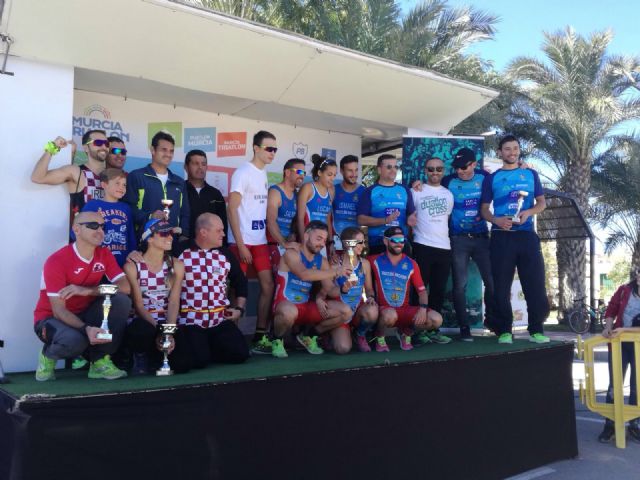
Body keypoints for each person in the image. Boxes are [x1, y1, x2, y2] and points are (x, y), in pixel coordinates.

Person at [33, 211, 131, 381]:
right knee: (75, 341)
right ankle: (48, 355)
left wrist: (88, 291)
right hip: (51, 318)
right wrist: (86, 329)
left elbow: (125, 287)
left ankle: (99, 362)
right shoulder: (57, 261)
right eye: (93, 226)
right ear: (76, 229)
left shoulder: (104, 254)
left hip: (84, 313)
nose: (100, 231)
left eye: (103, 226)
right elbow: (58, 311)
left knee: (121, 301)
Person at [480, 135, 550, 344]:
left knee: (534, 285)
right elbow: (484, 210)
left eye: (515, 148)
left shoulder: (530, 174)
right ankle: (504, 331)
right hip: (501, 237)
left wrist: (529, 212)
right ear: (500, 152)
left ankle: (536, 330)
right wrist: (496, 220)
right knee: (501, 287)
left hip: (527, 236)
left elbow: (542, 203)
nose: (512, 152)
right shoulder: (492, 178)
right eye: (507, 149)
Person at [175, 213, 249, 371]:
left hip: (219, 320)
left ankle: (209, 348)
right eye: (219, 230)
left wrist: (239, 309)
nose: (223, 234)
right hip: (191, 322)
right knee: (198, 361)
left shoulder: (225, 254)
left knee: (240, 354)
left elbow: (240, 281)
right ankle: (203, 350)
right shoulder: (180, 251)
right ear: (203, 232)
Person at [271, 221, 352, 358]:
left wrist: (343, 289)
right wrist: (335, 271)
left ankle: (309, 336)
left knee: (346, 311)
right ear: (306, 236)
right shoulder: (292, 254)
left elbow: (330, 290)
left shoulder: (322, 261)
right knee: (289, 312)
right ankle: (277, 339)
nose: (322, 244)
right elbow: (304, 274)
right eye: (318, 238)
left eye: (324, 240)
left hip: (305, 308)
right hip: (285, 305)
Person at [227, 130, 276, 354]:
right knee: (236, 288)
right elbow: (232, 209)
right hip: (241, 242)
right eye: (269, 148)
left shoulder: (263, 173)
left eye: (275, 149)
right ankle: (232, 337)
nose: (272, 153)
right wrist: (240, 244)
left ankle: (260, 335)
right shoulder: (242, 172)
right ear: (256, 148)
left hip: (260, 241)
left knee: (268, 286)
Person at [441, 147, 494, 341]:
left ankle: (492, 320)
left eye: (464, 167)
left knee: (491, 281)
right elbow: (432, 187)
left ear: (474, 164)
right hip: (458, 239)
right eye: (457, 167)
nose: (460, 171)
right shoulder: (448, 181)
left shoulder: (484, 177)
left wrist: (522, 167)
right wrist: (417, 183)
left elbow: (505, 181)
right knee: (460, 285)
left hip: (481, 238)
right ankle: (464, 327)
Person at [123, 219, 184, 374]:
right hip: (145, 323)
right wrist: (158, 331)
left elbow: (174, 302)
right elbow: (138, 306)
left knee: (184, 363)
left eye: (171, 233)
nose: (170, 237)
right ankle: (139, 355)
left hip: (166, 323)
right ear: (149, 238)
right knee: (141, 330)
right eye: (164, 234)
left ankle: (159, 357)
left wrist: (168, 333)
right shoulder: (132, 266)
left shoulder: (176, 264)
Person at [370, 227, 443, 352]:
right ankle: (379, 337)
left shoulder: (411, 263)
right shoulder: (374, 260)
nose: (399, 243)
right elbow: (356, 263)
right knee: (390, 315)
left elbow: (422, 291)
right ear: (385, 241)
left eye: (402, 240)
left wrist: (423, 309)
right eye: (395, 240)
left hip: (405, 310)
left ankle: (406, 332)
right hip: (385, 310)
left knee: (436, 319)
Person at [411, 156, 453, 345]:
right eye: (431, 169)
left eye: (439, 169)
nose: (435, 172)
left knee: (438, 290)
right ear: (425, 171)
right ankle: (416, 330)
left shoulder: (448, 194)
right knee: (419, 289)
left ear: (443, 171)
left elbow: (447, 219)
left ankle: (433, 329)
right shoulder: (416, 191)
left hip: (444, 247)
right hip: (422, 245)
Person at [31, 129, 107, 228]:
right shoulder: (76, 172)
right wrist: (52, 147)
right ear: (86, 148)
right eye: (98, 143)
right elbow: (38, 177)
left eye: (106, 143)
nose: (104, 146)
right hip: (84, 235)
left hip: (112, 236)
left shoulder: (114, 175)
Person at [124, 131, 190, 243]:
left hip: (173, 242)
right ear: (153, 150)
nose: (168, 154)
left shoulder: (179, 182)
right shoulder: (136, 176)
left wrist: (184, 234)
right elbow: (128, 208)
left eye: (171, 151)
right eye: (164, 150)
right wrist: (150, 216)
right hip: (146, 242)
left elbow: (185, 212)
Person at [598, 270, 640, 443]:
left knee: (637, 386)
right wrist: (608, 327)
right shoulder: (624, 290)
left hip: (638, 346)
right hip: (619, 344)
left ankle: (634, 424)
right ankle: (610, 424)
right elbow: (611, 310)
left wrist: (624, 330)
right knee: (614, 385)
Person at [320, 226, 378, 353]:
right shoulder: (334, 264)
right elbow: (327, 291)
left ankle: (359, 334)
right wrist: (343, 288)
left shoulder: (365, 264)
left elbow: (369, 289)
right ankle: (328, 332)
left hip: (356, 310)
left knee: (373, 310)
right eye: (360, 242)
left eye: (363, 242)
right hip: (340, 311)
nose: (363, 245)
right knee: (343, 348)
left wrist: (371, 297)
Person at [357, 154, 417, 255]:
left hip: (401, 244)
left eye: (395, 167)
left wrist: (410, 219)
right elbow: (361, 219)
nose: (393, 170)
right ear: (379, 170)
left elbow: (411, 215)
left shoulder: (404, 190)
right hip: (378, 243)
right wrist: (385, 220)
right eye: (389, 167)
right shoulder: (370, 191)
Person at [81, 168, 137, 267]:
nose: (121, 187)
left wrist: (133, 252)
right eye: (117, 183)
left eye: (124, 185)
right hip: (98, 261)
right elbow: (79, 233)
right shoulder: (92, 205)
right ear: (104, 185)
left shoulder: (126, 208)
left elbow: (130, 234)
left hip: (122, 260)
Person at [267, 158, 305, 267]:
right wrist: (284, 243)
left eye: (304, 173)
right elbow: (271, 222)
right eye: (299, 172)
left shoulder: (298, 195)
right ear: (287, 172)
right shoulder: (275, 192)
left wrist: (293, 235)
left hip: (291, 246)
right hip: (274, 244)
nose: (302, 176)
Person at [184, 149, 228, 245]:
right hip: (184, 247)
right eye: (195, 163)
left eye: (203, 164)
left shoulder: (216, 194)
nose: (200, 167)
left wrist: (223, 249)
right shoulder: (179, 191)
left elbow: (223, 224)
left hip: (211, 248)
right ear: (186, 167)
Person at [296, 154, 336, 254]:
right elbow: (300, 219)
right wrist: (304, 242)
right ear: (319, 173)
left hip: (322, 243)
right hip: (308, 241)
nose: (332, 178)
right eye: (329, 174)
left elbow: (328, 219)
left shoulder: (331, 191)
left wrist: (330, 243)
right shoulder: (308, 188)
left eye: (334, 175)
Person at [332, 155, 366, 251]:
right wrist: (330, 241)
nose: (354, 174)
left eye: (356, 170)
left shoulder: (364, 192)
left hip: (356, 244)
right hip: (336, 241)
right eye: (350, 170)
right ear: (342, 171)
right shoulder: (333, 189)